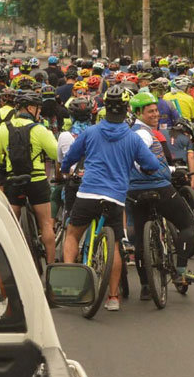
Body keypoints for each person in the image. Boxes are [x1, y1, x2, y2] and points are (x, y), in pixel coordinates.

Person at [60, 85, 161, 312]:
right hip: (115, 198)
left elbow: (70, 158)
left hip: (88, 193)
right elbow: (152, 165)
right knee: (114, 244)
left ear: (105, 107)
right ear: (127, 109)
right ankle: (113, 297)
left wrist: (65, 170)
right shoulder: (133, 138)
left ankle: (70, 283)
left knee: (73, 233)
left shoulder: (91, 132)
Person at [127, 92, 194, 299]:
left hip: (135, 191)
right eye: (150, 111)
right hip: (158, 187)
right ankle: (180, 271)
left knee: (141, 240)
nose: (156, 114)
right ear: (138, 112)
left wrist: (168, 169)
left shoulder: (133, 131)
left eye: (156, 110)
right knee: (187, 223)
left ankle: (145, 287)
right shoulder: (142, 133)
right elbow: (141, 160)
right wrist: (155, 172)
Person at [0, 91, 59, 263]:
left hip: (14, 181)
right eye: (38, 107)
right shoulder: (39, 130)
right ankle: (51, 266)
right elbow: (56, 153)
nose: (40, 111)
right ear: (30, 108)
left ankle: (9, 262)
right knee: (46, 225)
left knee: (10, 225)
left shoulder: (4, 128)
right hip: (36, 180)